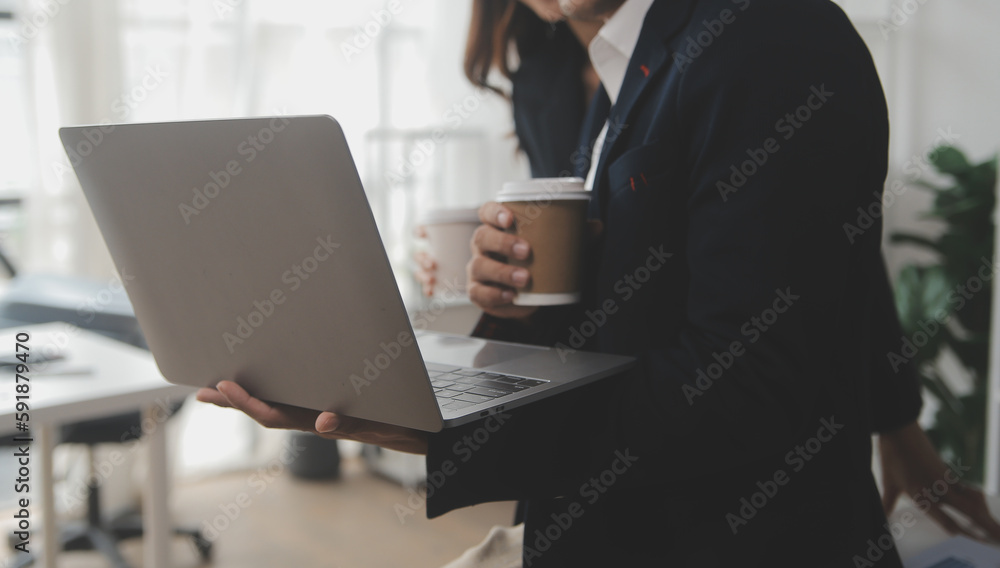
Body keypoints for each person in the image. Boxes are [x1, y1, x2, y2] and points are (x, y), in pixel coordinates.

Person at [199, 0, 1000, 565]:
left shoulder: (770, 41)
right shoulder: (620, 65)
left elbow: (754, 372)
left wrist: (443, 428)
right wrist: (514, 298)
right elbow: (639, 306)